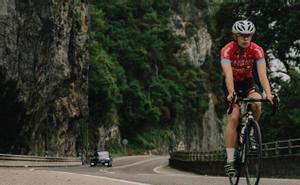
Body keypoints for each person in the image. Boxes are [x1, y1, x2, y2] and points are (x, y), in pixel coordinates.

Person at [220, 20, 273, 177]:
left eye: (249, 36)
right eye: (242, 36)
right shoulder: (226, 50)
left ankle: (249, 132)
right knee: (234, 117)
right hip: (232, 85)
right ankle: (230, 162)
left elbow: (262, 75)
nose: (246, 39)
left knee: (257, 102)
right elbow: (228, 74)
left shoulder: (257, 50)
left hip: (249, 83)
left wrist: (268, 94)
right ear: (235, 36)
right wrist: (231, 93)